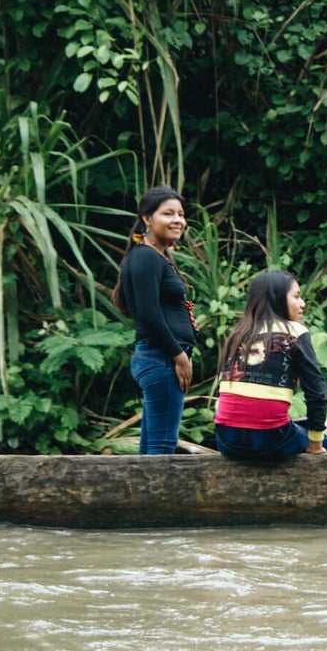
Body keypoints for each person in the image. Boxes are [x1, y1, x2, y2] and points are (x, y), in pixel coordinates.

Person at [212, 271, 327, 460]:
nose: (302, 304)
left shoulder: (238, 335)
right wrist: (316, 444)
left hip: (227, 441)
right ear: (277, 299)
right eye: (297, 296)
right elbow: (316, 392)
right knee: (326, 444)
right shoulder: (295, 333)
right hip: (270, 439)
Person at [115, 185, 196, 455]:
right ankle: (154, 498)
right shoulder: (145, 257)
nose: (178, 220)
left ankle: (141, 497)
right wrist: (179, 356)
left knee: (152, 447)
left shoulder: (155, 257)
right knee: (162, 448)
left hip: (161, 358)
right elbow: (149, 314)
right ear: (147, 218)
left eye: (181, 214)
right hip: (161, 359)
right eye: (168, 214)